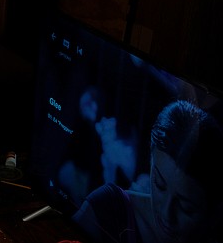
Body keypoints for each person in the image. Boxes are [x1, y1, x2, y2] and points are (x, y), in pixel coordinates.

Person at [72, 99, 223, 243]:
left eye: (185, 207)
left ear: (214, 213)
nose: (166, 213)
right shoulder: (107, 211)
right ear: (150, 162)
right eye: (159, 185)